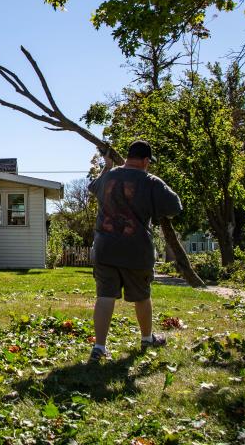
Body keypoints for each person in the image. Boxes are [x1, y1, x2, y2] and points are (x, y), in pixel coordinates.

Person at [87, 140, 182, 361]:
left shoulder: (108, 178)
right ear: (146, 160)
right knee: (142, 296)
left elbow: (93, 188)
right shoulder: (151, 181)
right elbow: (175, 207)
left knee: (104, 296)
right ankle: (147, 338)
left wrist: (107, 166)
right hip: (135, 250)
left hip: (104, 248)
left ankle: (99, 347)